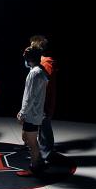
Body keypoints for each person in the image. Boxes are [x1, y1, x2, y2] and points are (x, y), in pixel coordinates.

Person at [16, 45, 49, 176]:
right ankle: (39, 161)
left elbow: (30, 96)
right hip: (34, 112)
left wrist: (22, 113)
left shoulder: (34, 73)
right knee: (26, 137)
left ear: (28, 58)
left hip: (31, 113)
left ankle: (35, 167)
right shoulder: (39, 71)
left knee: (32, 142)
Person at [30, 35, 57, 163]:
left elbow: (45, 85)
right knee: (41, 129)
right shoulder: (39, 63)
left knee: (45, 129)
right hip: (39, 102)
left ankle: (46, 157)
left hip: (44, 102)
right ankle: (40, 154)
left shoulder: (46, 64)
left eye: (31, 45)